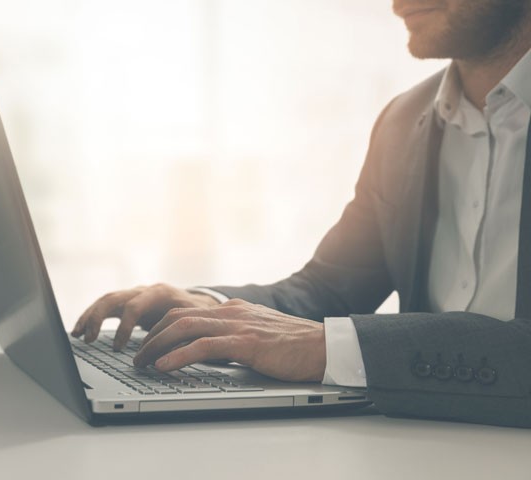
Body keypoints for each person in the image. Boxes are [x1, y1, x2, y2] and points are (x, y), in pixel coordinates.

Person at [71, 0, 531, 428]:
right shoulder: (404, 120)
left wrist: (329, 347)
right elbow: (328, 288)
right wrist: (211, 308)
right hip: (420, 441)